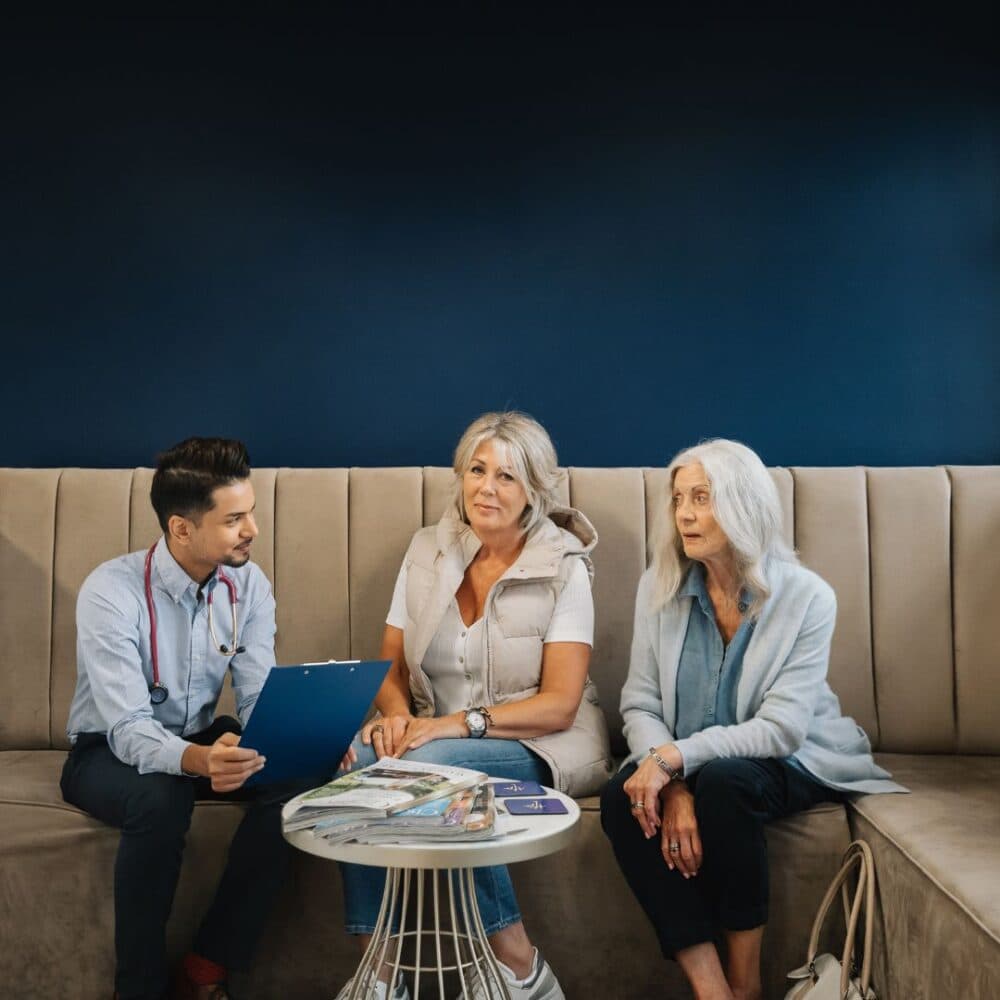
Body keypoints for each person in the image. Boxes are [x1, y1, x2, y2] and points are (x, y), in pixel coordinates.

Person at [600, 439, 905, 1000]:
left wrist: (674, 759)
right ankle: (712, 989)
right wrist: (671, 785)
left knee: (726, 783)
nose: (684, 514)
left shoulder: (809, 598)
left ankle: (747, 985)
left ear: (744, 504)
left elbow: (781, 730)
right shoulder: (658, 586)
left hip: (793, 756)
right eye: (678, 499)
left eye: (702, 498)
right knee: (625, 797)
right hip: (691, 763)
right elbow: (640, 703)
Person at [337, 411, 613, 1000]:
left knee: (433, 767)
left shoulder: (564, 566)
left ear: (534, 490)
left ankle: (519, 965)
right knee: (358, 763)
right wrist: (396, 716)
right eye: (477, 471)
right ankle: (379, 976)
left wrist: (453, 725)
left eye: (506, 477)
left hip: (538, 741)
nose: (486, 488)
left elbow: (560, 705)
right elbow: (390, 666)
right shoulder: (426, 550)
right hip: (430, 733)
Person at [61, 438, 291, 1000]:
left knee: (298, 782)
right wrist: (198, 761)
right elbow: (127, 728)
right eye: (234, 520)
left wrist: (293, 740)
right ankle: (138, 989)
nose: (252, 530)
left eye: (251, 512)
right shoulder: (109, 593)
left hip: (196, 737)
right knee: (162, 799)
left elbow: (257, 696)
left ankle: (207, 966)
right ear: (181, 528)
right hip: (105, 749)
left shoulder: (248, 585)